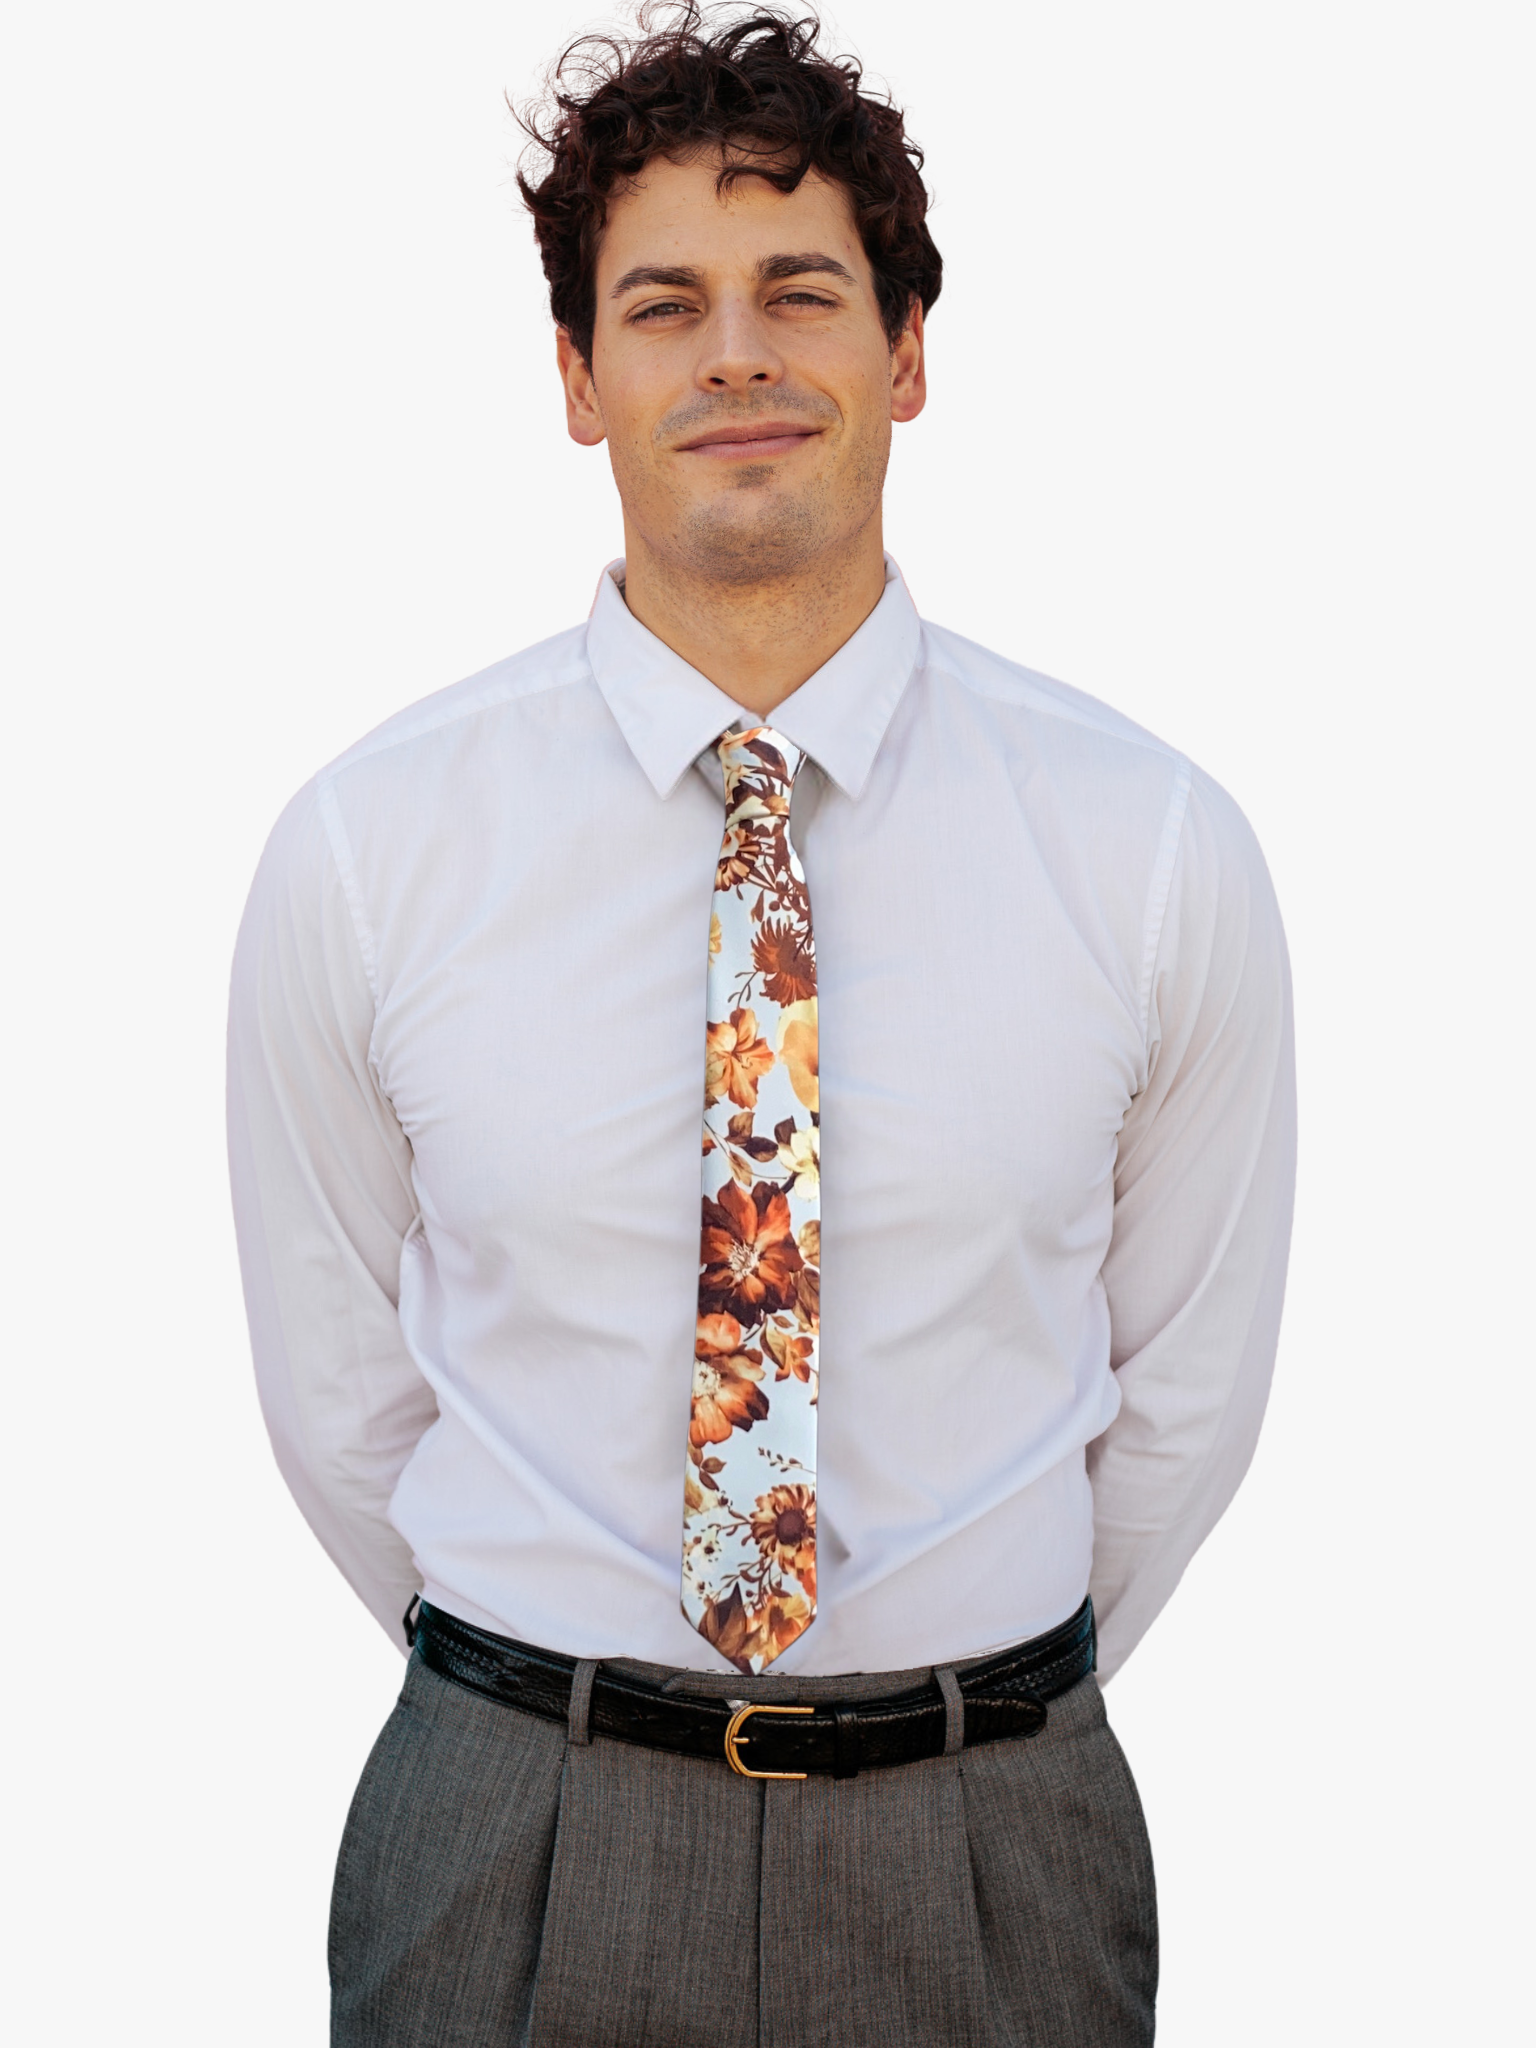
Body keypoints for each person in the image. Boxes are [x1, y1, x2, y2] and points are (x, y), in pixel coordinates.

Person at [227, 8, 1295, 2043]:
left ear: (905, 355)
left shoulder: (1152, 848)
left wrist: (952, 1703)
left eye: (801, 290)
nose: (736, 353)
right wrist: (565, 1709)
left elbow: (1181, 1404)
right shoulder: (368, 850)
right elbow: (339, 1393)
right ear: (576, 377)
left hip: (993, 1837)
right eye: (663, 304)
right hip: (510, 1834)